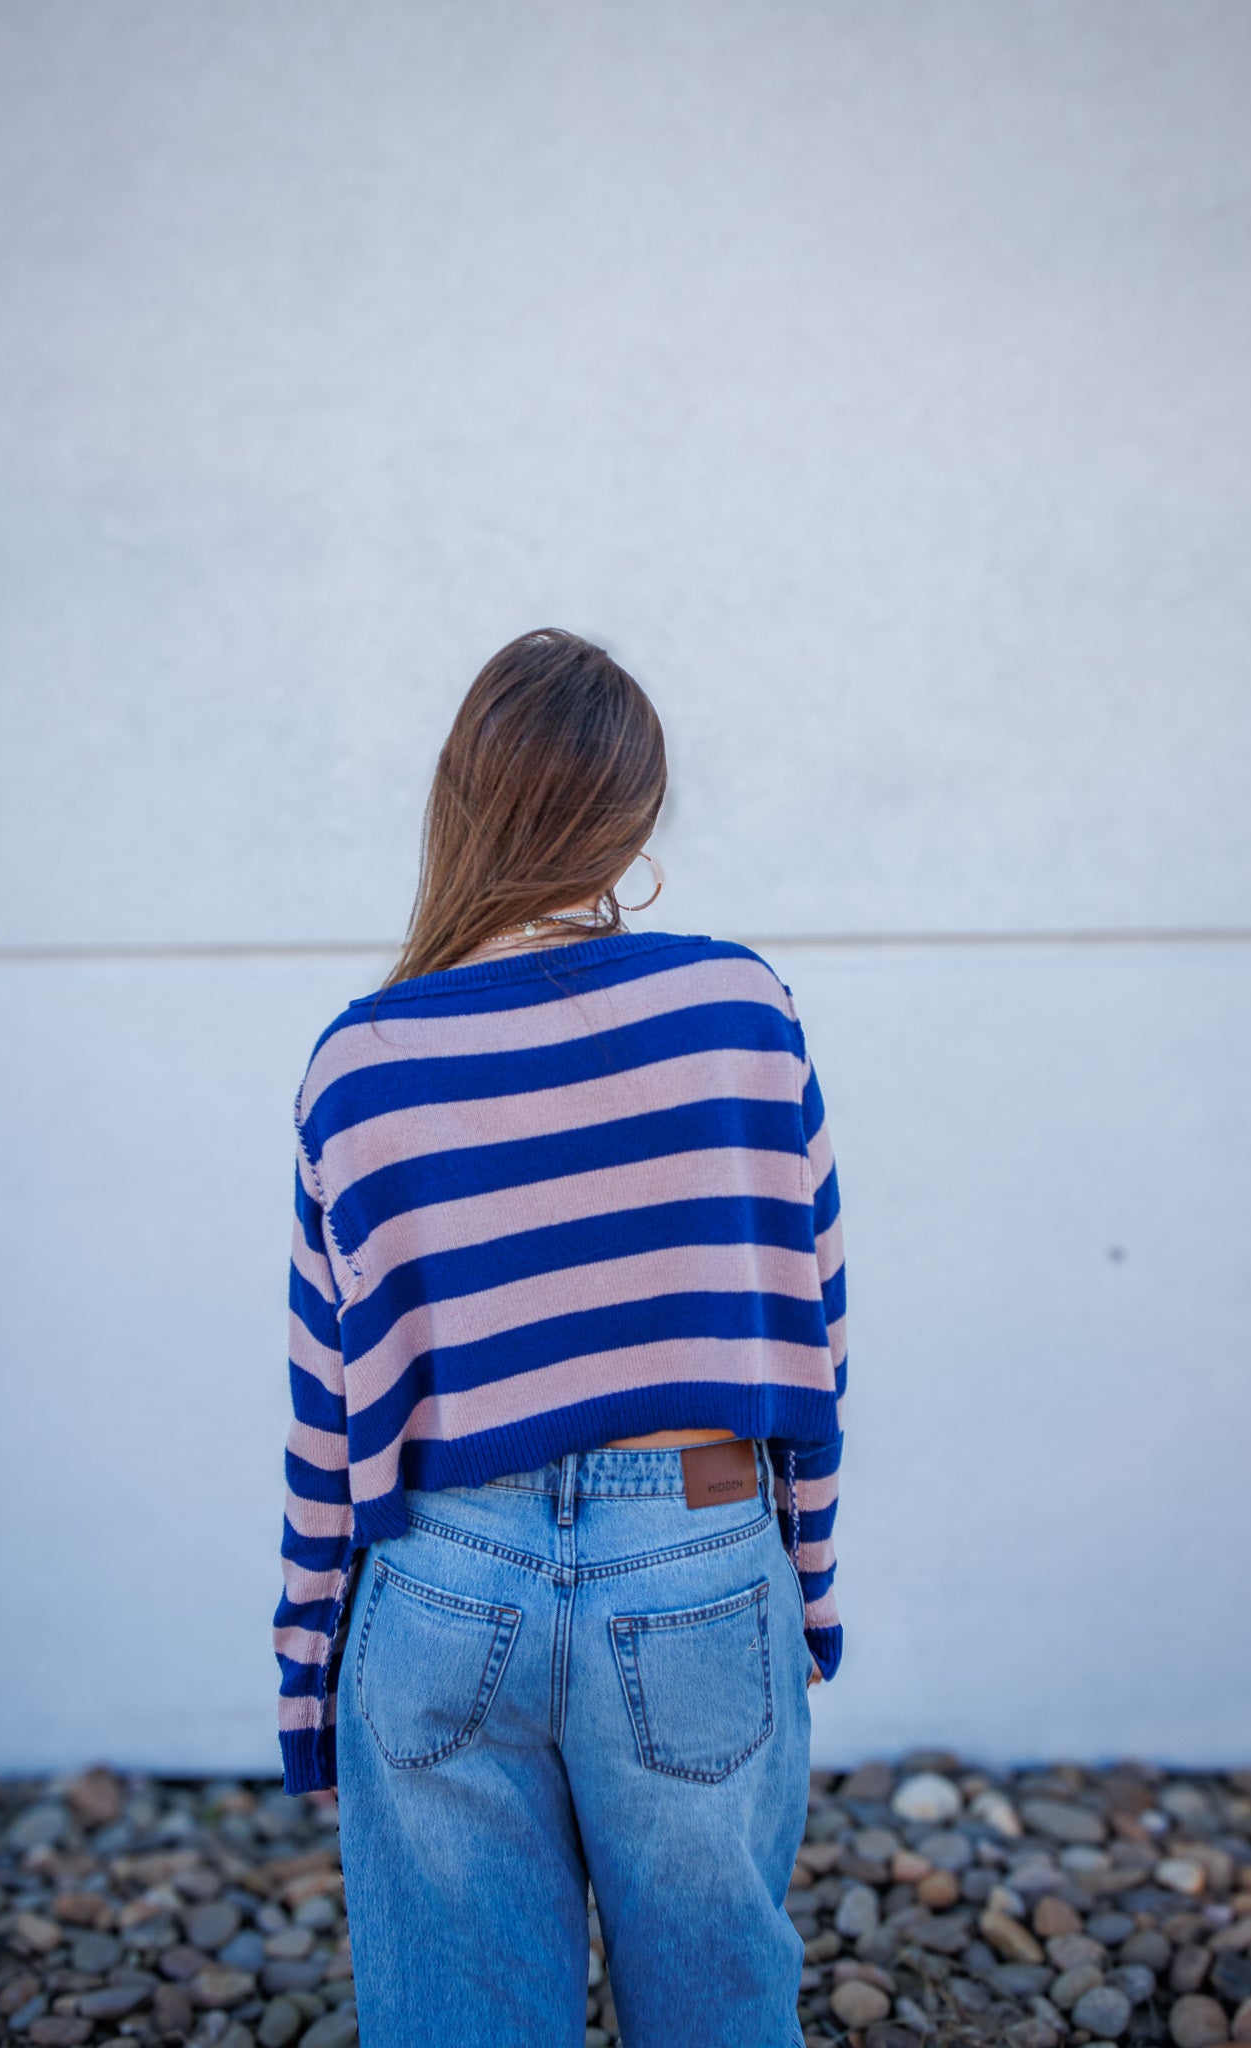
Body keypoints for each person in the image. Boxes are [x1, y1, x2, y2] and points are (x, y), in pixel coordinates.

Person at [272, 628, 849, 2048]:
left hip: (439, 1575)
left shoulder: (360, 1064)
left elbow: (328, 1415)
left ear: (459, 799)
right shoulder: (738, 1010)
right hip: (702, 1544)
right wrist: (812, 1584)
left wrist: (305, 1677)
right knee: (721, 2011)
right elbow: (811, 1338)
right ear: (633, 817)